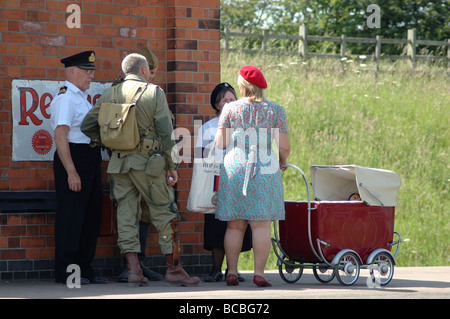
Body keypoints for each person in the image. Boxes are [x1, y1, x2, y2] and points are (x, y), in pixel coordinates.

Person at [81, 53, 200, 287]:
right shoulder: (154, 92)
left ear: (126, 71)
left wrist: (106, 143)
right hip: (148, 165)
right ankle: (174, 269)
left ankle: (134, 271)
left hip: (118, 166)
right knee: (166, 214)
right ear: (144, 70)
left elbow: (87, 126)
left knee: (126, 216)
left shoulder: (109, 93)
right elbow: (166, 133)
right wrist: (173, 166)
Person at [214, 65, 290, 287]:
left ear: (242, 86)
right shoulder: (276, 110)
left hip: (235, 167)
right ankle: (259, 273)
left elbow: (220, 143)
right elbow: (284, 146)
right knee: (261, 225)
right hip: (265, 169)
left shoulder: (230, 109)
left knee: (234, 225)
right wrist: (283, 161)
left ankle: (232, 272)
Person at [50, 50, 108, 285]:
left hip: (89, 157)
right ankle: (68, 273)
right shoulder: (66, 98)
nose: (91, 76)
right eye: (87, 71)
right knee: (72, 218)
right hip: (73, 158)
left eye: (92, 71)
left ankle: (84, 269)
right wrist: (71, 172)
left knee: (90, 216)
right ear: (72, 72)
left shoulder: (80, 97)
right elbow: (61, 137)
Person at [194, 83, 252, 282]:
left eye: (232, 100)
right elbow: (201, 157)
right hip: (215, 181)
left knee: (236, 223)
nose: (228, 103)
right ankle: (215, 269)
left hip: (238, 181)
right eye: (224, 100)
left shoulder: (245, 126)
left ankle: (232, 270)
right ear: (217, 104)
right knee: (215, 224)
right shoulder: (208, 127)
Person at [116, 47, 163, 283]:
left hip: (147, 164)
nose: (152, 76)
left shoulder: (151, 93)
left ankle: (139, 264)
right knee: (129, 213)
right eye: (151, 71)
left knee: (143, 214)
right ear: (143, 69)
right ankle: (128, 266)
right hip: (131, 163)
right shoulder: (124, 93)